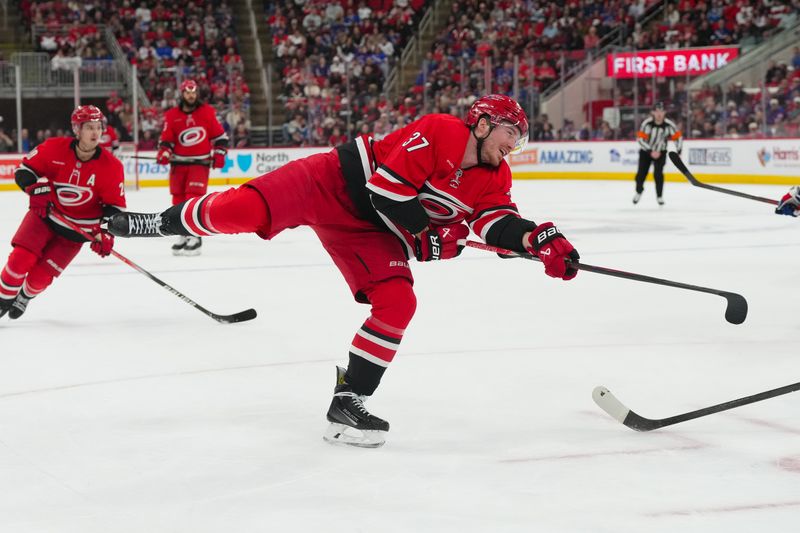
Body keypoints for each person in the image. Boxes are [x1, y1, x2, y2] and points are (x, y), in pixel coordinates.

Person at [107, 95, 580, 448]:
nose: (514, 145)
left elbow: (495, 222)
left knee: (399, 302)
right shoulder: (441, 131)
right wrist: (425, 238)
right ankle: (157, 222)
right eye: (510, 134)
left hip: (371, 232)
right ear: (481, 124)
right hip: (329, 183)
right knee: (243, 210)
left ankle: (349, 399)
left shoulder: (495, 176)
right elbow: (386, 189)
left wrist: (538, 241)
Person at [0, 105, 125, 320]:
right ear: (77, 129)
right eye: (89, 128)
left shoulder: (111, 166)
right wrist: (35, 189)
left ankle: (25, 295)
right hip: (44, 217)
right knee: (20, 260)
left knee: (39, 279)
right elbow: (24, 171)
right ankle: (2, 299)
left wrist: (105, 233)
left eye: (98, 127)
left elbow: (114, 209)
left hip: (76, 233)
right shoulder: (54, 148)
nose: (96, 133)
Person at [158, 79, 228, 256]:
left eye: (193, 92)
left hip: (199, 164)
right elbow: (167, 139)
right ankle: (182, 232)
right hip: (178, 165)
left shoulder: (207, 112)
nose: (191, 95)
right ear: (182, 94)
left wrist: (219, 154)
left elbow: (220, 137)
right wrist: (164, 152)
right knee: (178, 201)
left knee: (193, 199)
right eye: (187, 92)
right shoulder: (172, 115)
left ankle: (195, 236)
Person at [632, 102, 683, 206]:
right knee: (641, 174)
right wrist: (651, 151)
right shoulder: (647, 124)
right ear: (652, 112)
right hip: (646, 152)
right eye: (656, 111)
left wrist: (679, 151)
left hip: (661, 153)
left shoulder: (669, 125)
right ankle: (639, 191)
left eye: (661, 111)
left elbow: (678, 138)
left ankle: (659, 196)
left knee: (658, 175)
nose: (659, 113)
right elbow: (640, 139)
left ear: (665, 112)